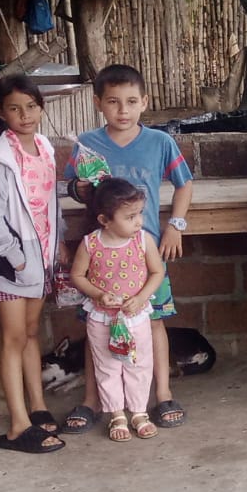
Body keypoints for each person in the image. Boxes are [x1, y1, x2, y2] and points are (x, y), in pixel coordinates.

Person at [62, 64, 195, 433]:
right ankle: (93, 400)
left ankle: (162, 394)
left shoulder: (160, 142)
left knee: (154, 321)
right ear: (98, 103)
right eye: (113, 102)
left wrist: (176, 226)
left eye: (132, 101)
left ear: (144, 102)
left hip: (145, 251)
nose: (123, 110)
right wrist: (80, 189)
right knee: (96, 326)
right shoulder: (87, 143)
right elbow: (71, 186)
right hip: (100, 254)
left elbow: (184, 184)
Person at [0, 75, 65, 454]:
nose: (24, 115)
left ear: (41, 108)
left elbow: (49, 203)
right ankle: (17, 425)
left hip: (40, 257)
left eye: (31, 106)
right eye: (14, 108)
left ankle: (38, 406)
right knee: (13, 338)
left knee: (30, 332)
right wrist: (15, 257)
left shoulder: (44, 147)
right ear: (1, 113)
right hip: (12, 263)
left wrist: (56, 246)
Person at [68, 179, 166, 442]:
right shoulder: (90, 244)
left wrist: (141, 298)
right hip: (102, 319)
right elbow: (77, 275)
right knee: (107, 366)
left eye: (140, 214)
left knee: (138, 364)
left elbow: (157, 272)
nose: (138, 222)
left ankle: (139, 412)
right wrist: (99, 295)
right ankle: (117, 414)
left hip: (136, 317)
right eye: (130, 217)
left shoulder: (143, 240)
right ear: (105, 220)